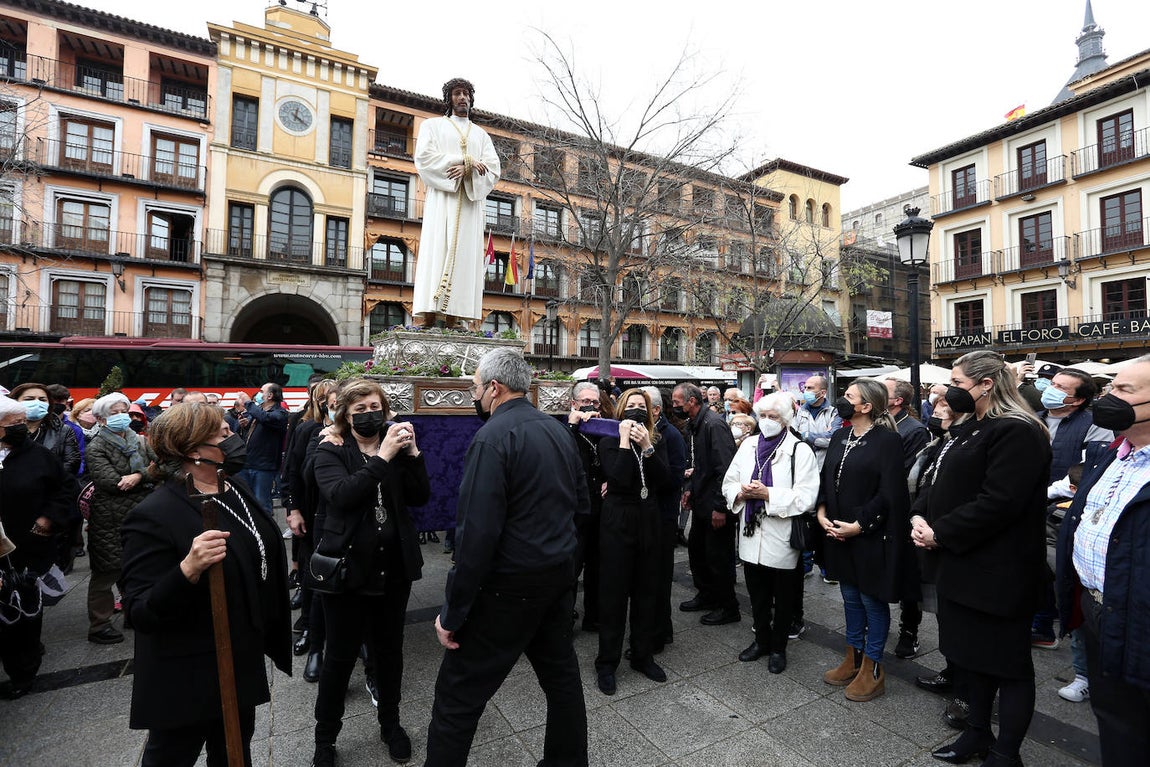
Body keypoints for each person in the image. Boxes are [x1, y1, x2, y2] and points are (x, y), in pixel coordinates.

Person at [426, 349, 588, 767]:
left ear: (494, 388)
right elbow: (581, 506)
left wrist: (453, 611)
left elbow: (476, 535)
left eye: (475, 387)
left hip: (506, 589)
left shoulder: (492, 437)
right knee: (562, 681)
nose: (474, 395)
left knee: (457, 699)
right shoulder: (557, 430)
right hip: (555, 578)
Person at [120, 402, 291, 766]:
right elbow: (139, 610)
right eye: (224, 434)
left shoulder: (234, 487)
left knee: (233, 753)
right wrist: (187, 569)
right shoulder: (154, 514)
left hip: (238, 655)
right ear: (194, 450)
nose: (234, 438)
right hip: (188, 671)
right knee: (171, 757)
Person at [910, 350, 1051, 767]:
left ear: (986, 384)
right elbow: (939, 481)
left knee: (1008, 667)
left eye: (957, 382)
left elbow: (1000, 501)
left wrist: (941, 532)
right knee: (972, 661)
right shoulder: (971, 427)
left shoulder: (1017, 430)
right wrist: (920, 515)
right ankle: (976, 733)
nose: (949, 390)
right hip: (960, 564)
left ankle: (1006, 754)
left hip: (999, 572)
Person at [309, 379, 427, 766]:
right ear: (345, 414)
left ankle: (391, 725)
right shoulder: (330, 448)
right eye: (359, 409)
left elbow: (420, 496)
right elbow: (341, 495)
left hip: (393, 570)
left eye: (375, 407)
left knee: (389, 653)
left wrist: (412, 454)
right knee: (339, 659)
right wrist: (383, 458)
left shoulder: (395, 446)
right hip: (347, 572)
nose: (368, 414)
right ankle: (325, 738)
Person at [1056, 354, 1150, 767]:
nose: (1109, 397)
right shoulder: (1110, 454)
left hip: (1138, 617)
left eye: (1124, 390)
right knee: (1114, 719)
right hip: (1096, 610)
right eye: (1111, 387)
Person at [818, 378, 909, 703]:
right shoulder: (840, 435)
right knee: (850, 598)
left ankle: (873, 667)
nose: (842, 400)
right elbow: (827, 478)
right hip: (838, 532)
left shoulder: (887, 440)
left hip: (869, 534)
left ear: (866, 406)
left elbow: (890, 492)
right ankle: (853, 657)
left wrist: (859, 525)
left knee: (871, 600)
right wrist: (822, 512)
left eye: (849, 396)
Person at [722, 392, 819, 673]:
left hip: (782, 533)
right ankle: (761, 640)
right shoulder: (748, 445)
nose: (766, 421)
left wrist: (768, 495)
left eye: (773, 416)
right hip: (751, 531)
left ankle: (778, 648)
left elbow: (807, 496)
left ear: (785, 419)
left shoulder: (800, 450)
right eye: (762, 416)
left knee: (784, 596)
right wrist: (741, 492)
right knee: (757, 593)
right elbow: (729, 481)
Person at [594, 388, 672, 695]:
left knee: (646, 592)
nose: (636, 410)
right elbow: (619, 479)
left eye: (642, 406)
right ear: (620, 410)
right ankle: (606, 663)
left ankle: (642, 655)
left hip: (647, 519)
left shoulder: (656, 441)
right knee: (613, 596)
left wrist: (647, 447)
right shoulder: (608, 441)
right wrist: (626, 441)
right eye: (631, 406)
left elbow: (664, 480)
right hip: (618, 520)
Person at [1032, 367, 1114, 650]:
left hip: (1061, 508)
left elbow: (1086, 472)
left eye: (1060, 388)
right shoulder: (1034, 419)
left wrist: (1045, 493)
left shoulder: (1094, 424)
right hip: (1026, 503)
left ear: (1078, 400)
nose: (1050, 389)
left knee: (1048, 567)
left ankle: (1044, 626)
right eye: (1052, 383)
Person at [0, 397, 74, 699]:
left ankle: (23, 672)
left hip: (28, 548)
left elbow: (66, 489)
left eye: (22, 422)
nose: (21, 427)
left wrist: (49, 518)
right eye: (13, 424)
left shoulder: (39, 456)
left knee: (24, 612)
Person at [412, 77, 500, 327]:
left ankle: (454, 317)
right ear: (449, 99)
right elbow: (424, 158)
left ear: (471, 99)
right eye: (457, 93)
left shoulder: (481, 135)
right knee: (436, 250)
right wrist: (463, 162)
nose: (462, 98)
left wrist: (469, 170)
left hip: (469, 205)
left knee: (464, 255)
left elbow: (493, 169)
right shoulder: (432, 126)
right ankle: (428, 315)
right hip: (442, 200)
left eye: (466, 94)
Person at [85, 392, 157, 645]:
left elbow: (161, 467)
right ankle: (99, 624)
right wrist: (146, 474)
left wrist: (138, 476)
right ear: (101, 419)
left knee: (137, 567)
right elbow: (111, 482)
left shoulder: (140, 440)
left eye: (123, 412)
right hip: (109, 518)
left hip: (141, 512)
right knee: (107, 572)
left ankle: (132, 613)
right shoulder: (96, 447)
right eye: (114, 413)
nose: (121, 417)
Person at [280, 379, 338, 660]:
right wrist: (293, 509)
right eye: (328, 401)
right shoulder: (306, 429)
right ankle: (309, 630)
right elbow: (291, 472)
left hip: (336, 515)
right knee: (310, 572)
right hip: (310, 511)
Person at [673, 382, 739, 626]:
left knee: (718, 557)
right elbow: (698, 464)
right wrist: (690, 489)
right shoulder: (695, 425)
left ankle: (727, 606)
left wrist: (720, 507)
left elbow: (725, 468)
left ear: (691, 401)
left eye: (677, 402)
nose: (674, 406)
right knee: (698, 552)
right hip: (702, 501)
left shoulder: (714, 424)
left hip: (715, 504)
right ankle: (707, 595)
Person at [883, 377, 930, 660]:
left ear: (898, 400)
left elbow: (909, 473)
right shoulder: (879, 422)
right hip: (878, 508)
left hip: (902, 511)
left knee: (908, 575)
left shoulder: (914, 430)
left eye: (884, 392)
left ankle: (909, 631)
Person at [640, 385, 686, 653]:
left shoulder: (671, 436)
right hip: (644, 516)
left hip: (662, 517)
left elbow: (674, 479)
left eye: (642, 407)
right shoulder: (641, 430)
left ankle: (659, 633)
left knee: (658, 579)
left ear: (656, 410)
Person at [566, 381, 605, 632]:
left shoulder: (603, 429)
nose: (590, 406)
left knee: (597, 567)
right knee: (571, 568)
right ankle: (565, 619)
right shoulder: (566, 430)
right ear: (574, 404)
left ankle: (594, 616)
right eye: (585, 402)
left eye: (595, 402)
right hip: (575, 513)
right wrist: (573, 424)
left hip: (600, 510)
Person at [235, 383, 288, 520]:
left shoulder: (279, 413)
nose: (258, 394)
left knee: (262, 504)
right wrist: (244, 425)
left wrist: (248, 402)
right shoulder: (259, 411)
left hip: (263, 467)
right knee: (245, 502)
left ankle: (266, 530)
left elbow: (266, 418)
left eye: (261, 391)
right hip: (247, 464)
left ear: (270, 395)